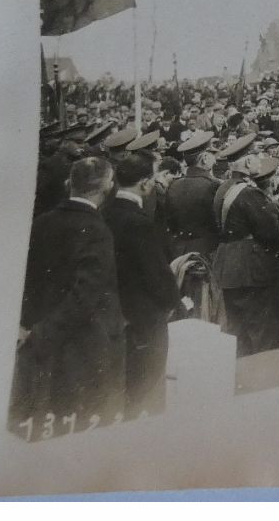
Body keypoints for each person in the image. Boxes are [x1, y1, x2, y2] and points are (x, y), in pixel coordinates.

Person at [11, 157, 126, 435]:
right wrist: (45, 333)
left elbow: (27, 282)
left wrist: (30, 328)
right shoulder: (98, 231)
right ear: (105, 188)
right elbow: (86, 294)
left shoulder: (42, 222)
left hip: (39, 340)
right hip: (80, 343)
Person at [101, 152, 181, 419]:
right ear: (145, 183)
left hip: (113, 312)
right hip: (142, 317)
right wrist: (173, 302)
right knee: (144, 384)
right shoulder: (140, 223)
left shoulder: (104, 212)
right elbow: (156, 275)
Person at [212, 153, 279, 356]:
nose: (260, 162)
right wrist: (273, 212)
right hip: (251, 267)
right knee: (259, 329)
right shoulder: (250, 193)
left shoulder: (223, 187)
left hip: (228, 265)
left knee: (236, 330)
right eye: (256, 158)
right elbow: (270, 235)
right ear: (247, 163)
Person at [161, 131, 220, 257]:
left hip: (178, 250)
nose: (215, 160)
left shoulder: (173, 184)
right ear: (204, 159)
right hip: (207, 251)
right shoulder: (214, 185)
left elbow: (171, 223)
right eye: (212, 154)